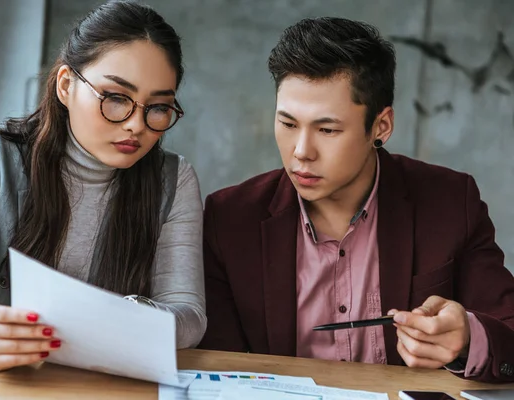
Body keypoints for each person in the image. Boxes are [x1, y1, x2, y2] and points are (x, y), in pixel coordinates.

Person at [198, 17, 514, 383]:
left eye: (327, 129)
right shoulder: (230, 219)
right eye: (287, 124)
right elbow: (216, 371)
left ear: (381, 126)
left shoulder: (449, 202)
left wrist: (467, 339)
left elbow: (509, 333)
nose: (301, 152)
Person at [0, 0, 206, 371]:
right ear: (66, 85)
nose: (136, 124)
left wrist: (130, 315)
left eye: (158, 107)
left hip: (106, 386)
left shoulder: (173, 179)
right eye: (117, 99)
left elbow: (190, 315)